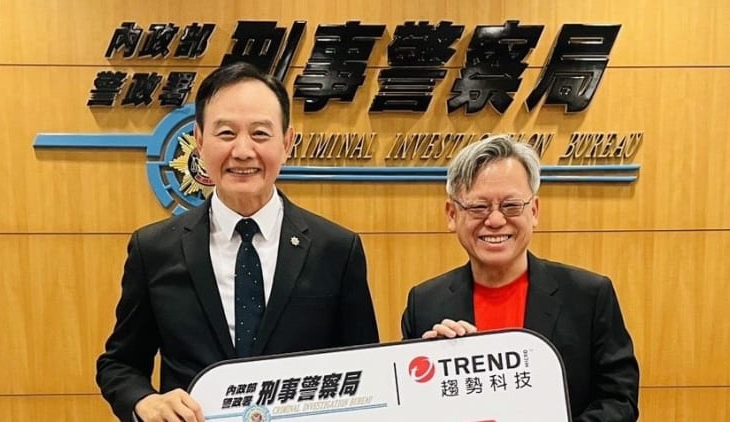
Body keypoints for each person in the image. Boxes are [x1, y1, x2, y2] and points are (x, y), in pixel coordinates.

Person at [96, 62, 379, 422]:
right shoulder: (154, 249)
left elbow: (365, 369)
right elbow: (119, 364)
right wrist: (145, 402)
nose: (243, 151)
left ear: (287, 142)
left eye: (260, 134)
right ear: (199, 140)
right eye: (226, 133)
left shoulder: (336, 249)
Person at [401, 135, 639, 421]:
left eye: (511, 206)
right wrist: (428, 373)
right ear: (452, 214)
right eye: (478, 207)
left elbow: (620, 400)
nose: (495, 220)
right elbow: (407, 408)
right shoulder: (425, 304)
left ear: (534, 211)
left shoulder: (589, 296)